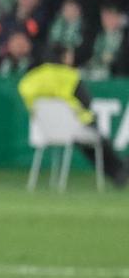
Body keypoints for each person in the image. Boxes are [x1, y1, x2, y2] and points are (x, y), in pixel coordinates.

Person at [18, 46, 128, 187]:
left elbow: (26, 95)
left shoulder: (31, 78)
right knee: (97, 140)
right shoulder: (70, 76)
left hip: (46, 128)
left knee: (91, 143)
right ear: (63, 57)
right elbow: (87, 103)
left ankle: (118, 172)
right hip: (75, 125)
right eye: (69, 55)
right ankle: (120, 170)